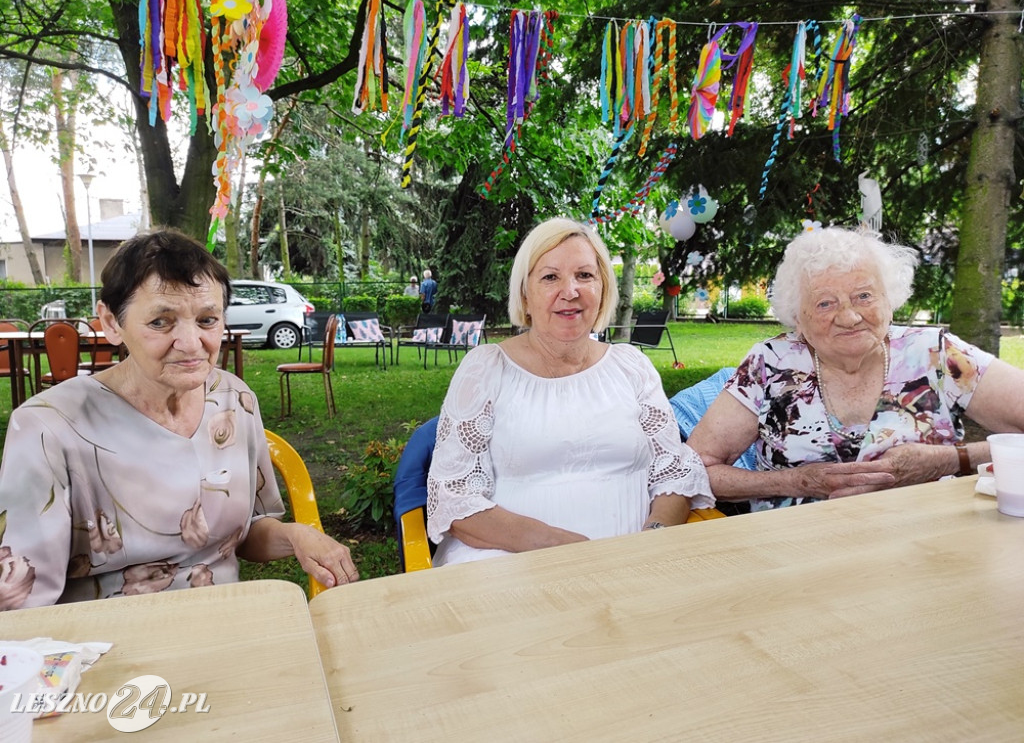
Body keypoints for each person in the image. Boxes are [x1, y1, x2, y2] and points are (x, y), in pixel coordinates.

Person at [0, 229, 358, 611]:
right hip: (106, 646)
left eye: (207, 320)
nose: (191, 344)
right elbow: (22, 606)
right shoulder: (47, 429)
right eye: (160, 322)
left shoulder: (234, 400)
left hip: (225, 626)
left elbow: (248, 531)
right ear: (110, 322)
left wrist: (296, 536)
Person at [426, 218, 713, 566]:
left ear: (603, 289)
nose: (571, 291)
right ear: (525, 296)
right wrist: (558, 546)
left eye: (585, 275)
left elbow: (673, 474)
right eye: (550, 277)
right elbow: (455, 498)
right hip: (509, 562)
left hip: (637, 560)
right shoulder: (485, 369)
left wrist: (653, 540)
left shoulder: (631, 366)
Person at [686, 225, 1024, 513]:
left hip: (928, 553)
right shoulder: (771, 363)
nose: (849, 317)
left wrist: (949, 460)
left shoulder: (937, 354)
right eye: (825, 303)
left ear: (889, 300)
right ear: (797, 318)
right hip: (796, 560)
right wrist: (797, 481)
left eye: (864, 296)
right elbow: (693, 468)